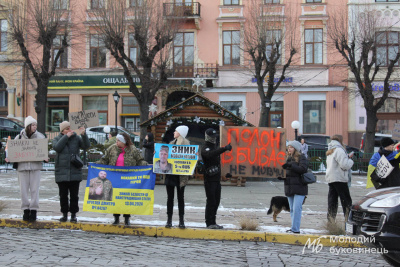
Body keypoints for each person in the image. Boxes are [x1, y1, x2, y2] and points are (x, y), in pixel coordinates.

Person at [97, 132, 147, 226]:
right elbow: (105, 160)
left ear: (124, 141)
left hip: (127, 179)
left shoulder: (133, 149)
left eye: (118, 140)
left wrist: (147, 166)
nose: (116, 142)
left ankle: (127, 218)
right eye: (116, 140)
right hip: (115, 177)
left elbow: (140, 161)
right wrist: (95, 164)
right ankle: (116, 218)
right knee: (115, 198)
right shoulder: (112, 148)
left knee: (126, 198)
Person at [5, 116, 47, 222]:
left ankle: (33, 210)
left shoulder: (40, 137)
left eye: (35, 125)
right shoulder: (19, 138)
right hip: (22, 168)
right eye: (33, 125)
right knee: (23, 191)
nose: (34, 127)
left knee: (34, 190)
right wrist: (9, 157)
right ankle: (25, 210)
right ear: (28, 126)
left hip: (35, 167)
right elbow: (12, 151)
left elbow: (43, 151)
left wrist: (45, 158)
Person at [53, 121, 90, 223]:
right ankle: (64, 214)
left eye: (70, 128)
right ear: (62, 131)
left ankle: (73, 215)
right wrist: (66, 137)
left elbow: (86, 146)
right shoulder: (57, 138)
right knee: (63, 195)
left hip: (74, 171)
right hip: (62, 172)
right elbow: (57, 148)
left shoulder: (76, 138)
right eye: (67, 129)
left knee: (74, 196)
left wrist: (83, 135)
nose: (70, 130)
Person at [201, 128, 232, 229]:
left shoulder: (215, 147)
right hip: (209, 180)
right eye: (212, 137)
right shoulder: (205, 148)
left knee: (216, 201)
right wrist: (224, 148)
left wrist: (225, 175)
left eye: (214, 137)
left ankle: (213, 222)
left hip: (216, 179)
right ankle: (209, 223)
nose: (213, 139)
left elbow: (218, 163)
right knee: (211, 201)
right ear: (207, 137)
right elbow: (210, 155)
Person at [164, 125, 190, 229]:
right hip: (171, 174)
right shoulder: (171, 144)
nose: (174, 132)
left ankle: (181, 220)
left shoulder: (186, 144)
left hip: (181, 176)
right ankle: (169, 220)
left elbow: (190, 159)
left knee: (180, 198)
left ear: (180, 132)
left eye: (176, 131)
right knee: (170, 198)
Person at [280, 140, 308, 234]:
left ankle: (296, 229)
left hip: (299, 187)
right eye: (288, 147)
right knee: (291, 209)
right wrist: (282, 177)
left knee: (297, 209)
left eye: (291, 147)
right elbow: (288, 173)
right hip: (289, 187)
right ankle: (293, 227)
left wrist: (291, 166)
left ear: (295, 149)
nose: (289, 149)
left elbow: (303, 169)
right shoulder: (287, 158)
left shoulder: (301, 157)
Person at [325, 135, 354, 222]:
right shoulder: (339, 150)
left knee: (332, 202)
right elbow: (345, 165)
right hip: (339, 178)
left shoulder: (330, 150)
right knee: (346, 201)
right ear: (341, 141)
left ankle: (330, 221)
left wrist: (346, 157)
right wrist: (350, 161)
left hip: (331, 178)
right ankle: (348, 220)